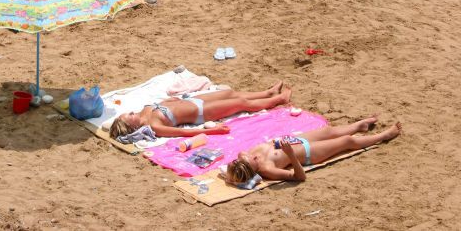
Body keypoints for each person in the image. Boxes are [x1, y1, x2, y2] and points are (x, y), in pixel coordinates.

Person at [225, 116, 402, 183]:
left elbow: (231, 169)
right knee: (346, 141)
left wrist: (236, 170)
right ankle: (383, 136)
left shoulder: (244, 157)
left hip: (295, 140)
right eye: (253, 162)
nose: (254, 156)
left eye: (249, 158)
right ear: (255, 171)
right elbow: (299, 177)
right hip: (308, 152)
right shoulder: (268, 169)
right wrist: (291, 156)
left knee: (329, 131)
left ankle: (359, 125)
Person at [109, 82, 291, 139]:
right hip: (201, 112)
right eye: (129, 116)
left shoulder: (143, 112)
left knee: (229, 93)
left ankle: (267, 92)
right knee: (240, 103)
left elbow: (166, 103)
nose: (132, 112)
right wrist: (213, 131)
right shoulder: (154, 126)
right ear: (131, 127)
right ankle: (278, 99)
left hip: (193, 101)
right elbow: (183, 132)